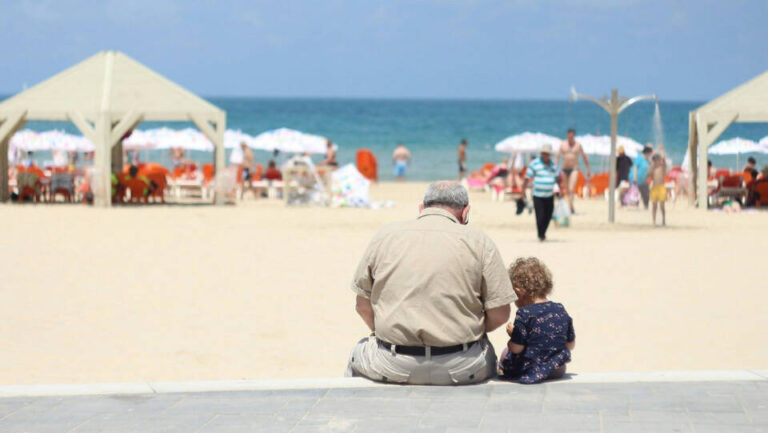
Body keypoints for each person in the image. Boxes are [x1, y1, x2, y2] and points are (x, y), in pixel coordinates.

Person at [346, 181, 516, 385]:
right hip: (462, 365)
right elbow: (500, 313)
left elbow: (362, 306)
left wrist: (387, 331)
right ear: (465, 212)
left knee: (357, 353)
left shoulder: (386, 235)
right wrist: (469, 330)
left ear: (421, 208)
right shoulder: (480, 242)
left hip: (392, 363)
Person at [498, 257, 575, 384]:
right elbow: (570, 345)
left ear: (518, 292)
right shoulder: (560, 309)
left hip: (531, 368)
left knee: (506, 353)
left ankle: (503, 370)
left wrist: (513, 337)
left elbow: (517, 348)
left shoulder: (524, 313)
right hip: (558, 369)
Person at [523, 144, 559, 242]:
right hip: (537, 195)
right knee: (540, 215)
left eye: (546, 153)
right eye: (543, 153)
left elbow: (557, 179)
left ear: (549, 155)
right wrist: (523, 191)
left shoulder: (553, 166)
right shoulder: (534, 164)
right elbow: (527, 178)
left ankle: (543, 233)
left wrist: (560, 191)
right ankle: (541, 235)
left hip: (549, 195)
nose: (545, 155)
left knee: (548, 215)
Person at [555, 129, 591, 213]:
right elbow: (557, 156)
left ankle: (570, 207)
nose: (570, 137)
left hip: (574, 169)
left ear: (574, 136)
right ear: (567, 135)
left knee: (571, 189)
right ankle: (570, 206)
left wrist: (588, 169)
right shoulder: (563, 145)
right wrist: (555, 167)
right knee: (567, 190)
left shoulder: (578, 145)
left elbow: (584, 156)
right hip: (564, 169)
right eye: (569, 136)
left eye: (572, 136)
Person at [650, 147, 667, 226]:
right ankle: (654, 221)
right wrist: (653, 154)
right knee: (654, 205)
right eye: (654, 160)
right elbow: (650, 175)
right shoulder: (653, 168)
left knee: (662, 205)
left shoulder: (662, 167)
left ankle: (663, 220)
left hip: (661, 187)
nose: (655, 162)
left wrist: (661, 151)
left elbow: (664, 160)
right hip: (654, 187)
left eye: (657, 160)